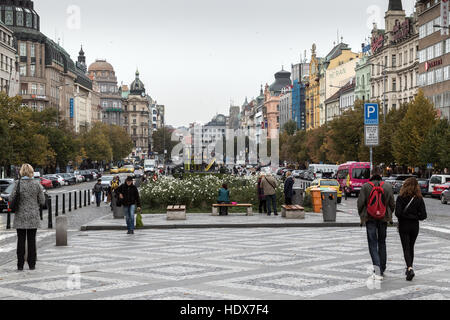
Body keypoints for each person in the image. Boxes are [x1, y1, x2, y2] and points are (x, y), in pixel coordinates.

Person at [357, 167, 395, 281]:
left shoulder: (366, 186)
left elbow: (360, 203)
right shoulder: (387, 186)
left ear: (371, 174)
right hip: (383, 218)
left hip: (370, 217)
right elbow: (392, 203)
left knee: (373, 243)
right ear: (381, 174)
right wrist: (388, 213)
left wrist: (362, 215)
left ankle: (377, 270)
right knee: (382, 242)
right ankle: (382, 268)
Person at [10, 164, 45, 271]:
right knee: (31, 241)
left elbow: (11, 198)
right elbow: (42, 201)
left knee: (20, 240)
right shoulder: (36, 184)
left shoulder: (17, 183)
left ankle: (20, 264)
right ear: (31, 171)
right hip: (33, 216)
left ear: (21, 172)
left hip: (20, 215)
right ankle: (32, 264)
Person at [395, 178, 428, 282]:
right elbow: (423, 215)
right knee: (411, 247)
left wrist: (406, 215)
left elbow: (397, 213)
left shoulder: (400, 198)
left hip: (404, 225)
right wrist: (415, 216)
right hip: (414, 226)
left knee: (406, 248)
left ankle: (409, 268)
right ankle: (410, 267)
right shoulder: (419, 198)